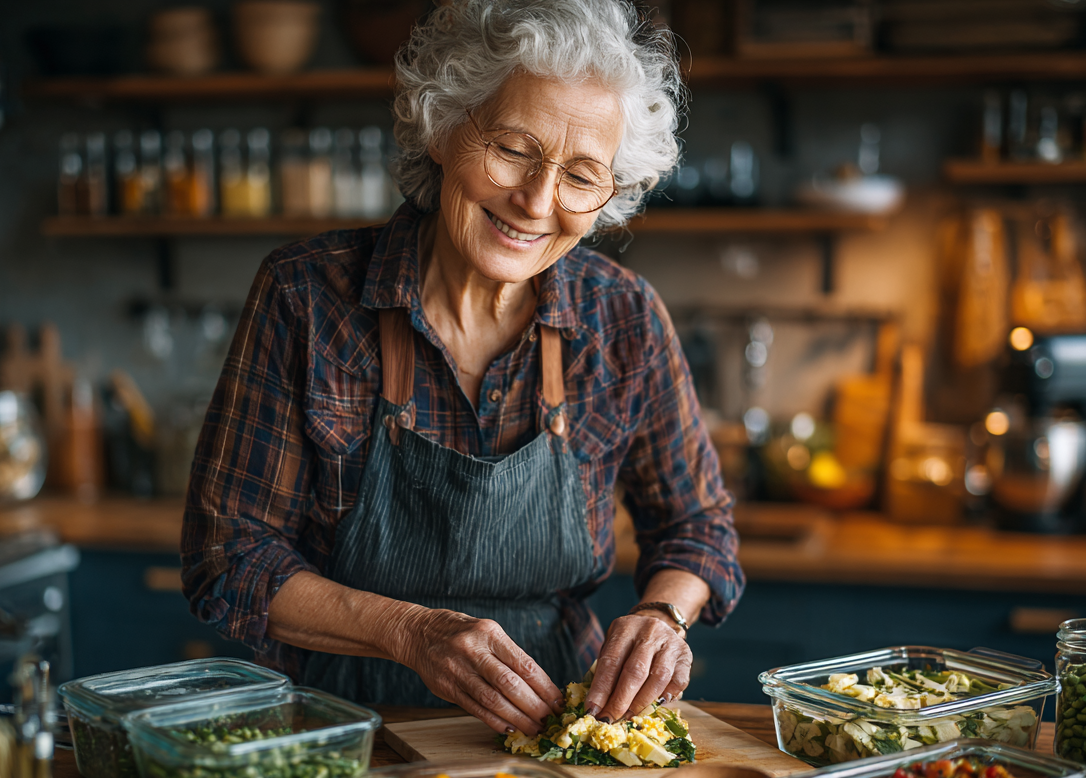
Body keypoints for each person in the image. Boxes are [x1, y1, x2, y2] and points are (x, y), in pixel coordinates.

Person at [182, 0, 743, 739]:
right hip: (341, 733)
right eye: (513, 149)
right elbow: (230, 558)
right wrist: (411, 633)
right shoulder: (307, 295)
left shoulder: (624, 320)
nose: (537, 202)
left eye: (581, 176)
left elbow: (697, 527)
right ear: (444, 127)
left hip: (556, 732)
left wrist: (661, 614)